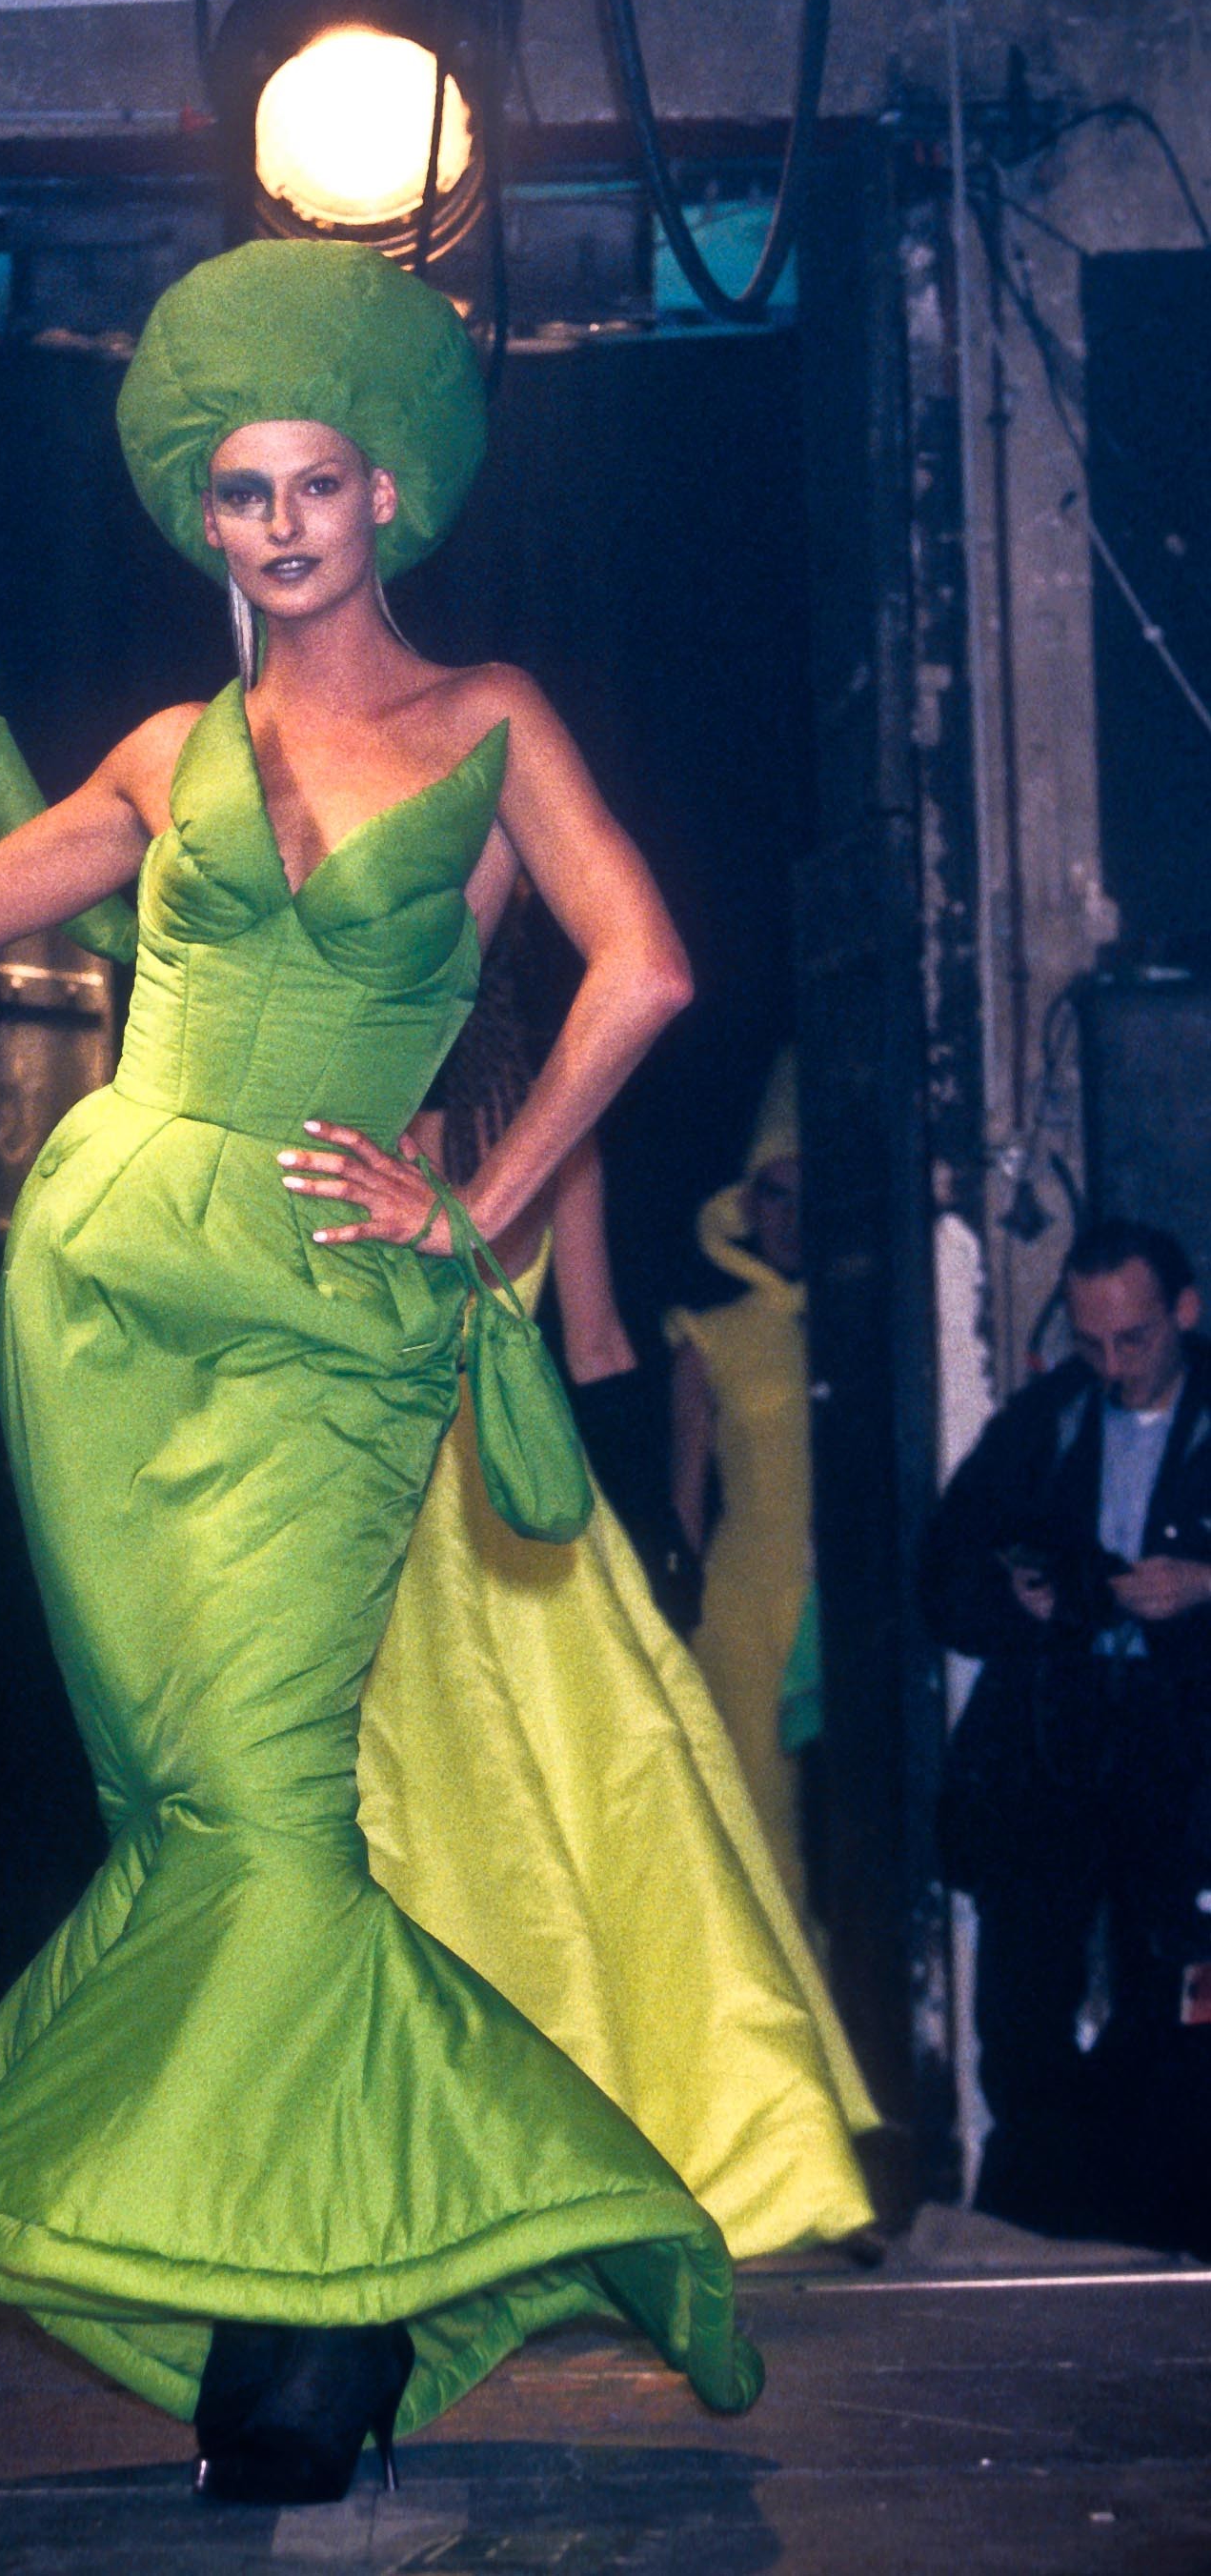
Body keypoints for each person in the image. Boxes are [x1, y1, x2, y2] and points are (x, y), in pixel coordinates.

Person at [0, 238, 766, 2506]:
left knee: (266, 1813)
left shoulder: (488, 721)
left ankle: (344, 2291)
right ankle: (302, 2286)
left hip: (335, 1314)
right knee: (189, 1811)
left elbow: (643, 968)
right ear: (208, 512)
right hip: (108, 1295)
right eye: (239, 493)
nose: (274, 526)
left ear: (385, 496)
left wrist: (475, 1206)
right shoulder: (168, 754)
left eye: (312, 486)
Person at [358, 965, 877, 2265]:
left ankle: (447, 2172)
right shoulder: (550, 1134)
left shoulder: (345, 1136)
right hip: (534, 1514)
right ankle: (688, 2145)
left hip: (385, 1510)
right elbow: (594, 1349)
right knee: (613, 1819)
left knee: (430, 1827)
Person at [922, 1218, 1211, 2249]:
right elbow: (943, 1575)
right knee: (1023, 1998)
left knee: (1167, 1997)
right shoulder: (1046, 1417)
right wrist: (1024, 1599)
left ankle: (1165, 2220)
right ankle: (1041, 2225)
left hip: (1186, 1754)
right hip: (1054, 1741)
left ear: (1184, 1312)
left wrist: (1204, 1586)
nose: (1113, 1365)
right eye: (1091, 1344)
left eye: (1134, 1339)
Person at [665, 1057, 816, 1920]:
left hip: (843, 1600)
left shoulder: (862, 1324)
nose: (791, 1217)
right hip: (748, 1602)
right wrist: (677, 1614)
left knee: (856, 1820)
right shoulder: (709, 1335)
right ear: (750, 1207)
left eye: (806, 1196)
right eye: (775, 1196)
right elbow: (686, 1490)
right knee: (762, 1824)